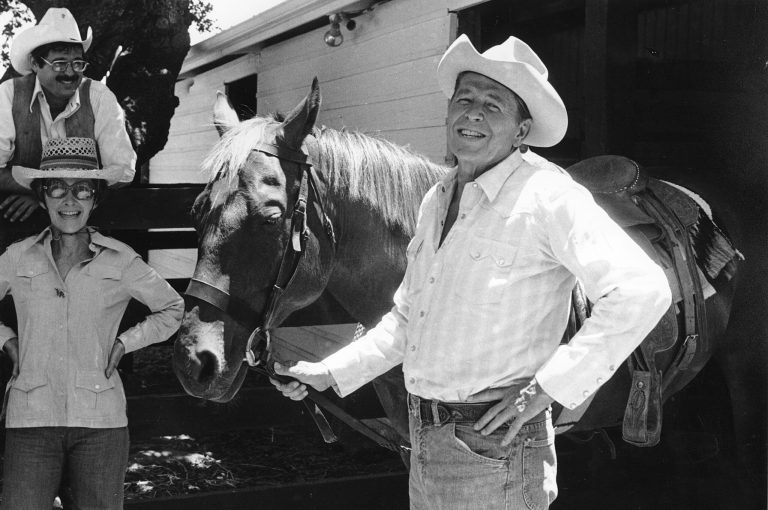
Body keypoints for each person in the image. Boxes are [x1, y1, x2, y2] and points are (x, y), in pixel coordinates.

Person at [271, 34, 672, 509]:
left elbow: (642, 289)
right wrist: (328, 372)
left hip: (495, 444)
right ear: (448, 115)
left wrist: (547, 389)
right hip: (427, 438)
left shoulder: (546, 195)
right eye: (465, 99)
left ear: (521, 131)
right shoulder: (436, 201)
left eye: (493, 104)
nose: (474, 113)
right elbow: (407, 319)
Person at [0, 137, 183, 509]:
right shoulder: (18, 257)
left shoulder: (121, 260)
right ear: (42, 197)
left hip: (101, 422)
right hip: (31, 417)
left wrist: (125, 343)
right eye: (57, 188)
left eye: (82, 189)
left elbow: (173, 308)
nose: (70, 201)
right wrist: (6, 339)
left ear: (95, 199)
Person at [0, 7, 135, 227]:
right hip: (20, 226)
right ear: (35, 64)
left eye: (78, 63)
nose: (71, 73)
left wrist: (44, 196)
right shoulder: (9, 94)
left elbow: (122, 171)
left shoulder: (99, 97)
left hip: (85, 222)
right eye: (60, 63)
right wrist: (45, 193)